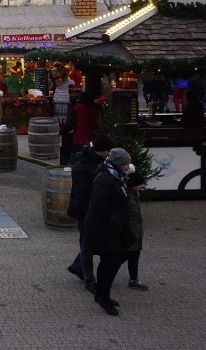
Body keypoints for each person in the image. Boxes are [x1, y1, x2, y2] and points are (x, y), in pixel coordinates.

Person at [83, 147, 134, 316]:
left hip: (112, 227)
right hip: (103, 228)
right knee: (110, 262)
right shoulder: (105, 178)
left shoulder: (117, 177)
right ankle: (104, 298)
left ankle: (101, 294)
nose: (128, 165)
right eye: (126, 163)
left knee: (110, 261)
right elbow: (100, 205)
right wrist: (113, 221)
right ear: (119, 164)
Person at [66, 133, 113, 295]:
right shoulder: (83, 167)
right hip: (86, 212)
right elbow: (84, 195)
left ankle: (78, 267)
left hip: (93, 211)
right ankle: (89, 280)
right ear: (102, 151)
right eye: (109, 150)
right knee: (87, 245)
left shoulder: (99, 163)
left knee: (90, 243)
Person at [124, 172, 150, 292]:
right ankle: (133, 279)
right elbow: (133, 220)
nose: (141, 186)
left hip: (132, 234)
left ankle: (133, 278)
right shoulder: (131, 198)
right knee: (128, 256)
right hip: (132, 235)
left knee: (127, 257)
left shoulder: (132, 195)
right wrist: (135, 236)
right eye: (140, 184)